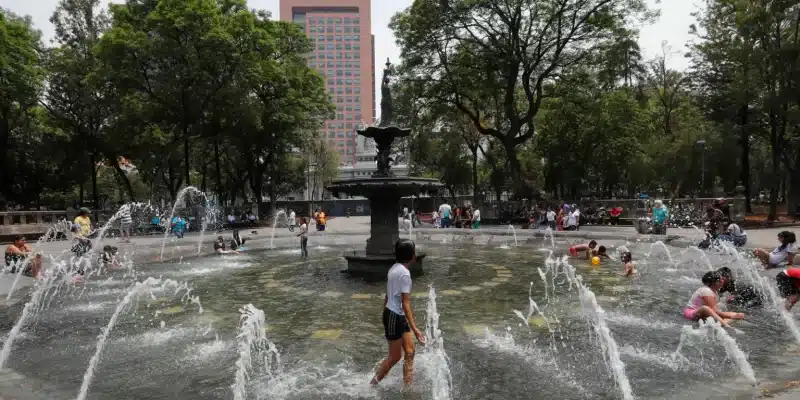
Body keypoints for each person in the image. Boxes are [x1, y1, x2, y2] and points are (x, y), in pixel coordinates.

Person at [370, 239, 426, 386]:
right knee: (395, 357)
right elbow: (405, 304)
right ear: (411, 255)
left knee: (410, 351)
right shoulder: (405, 274)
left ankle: (407, 386)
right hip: (395, 316)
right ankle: (372, 384)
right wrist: (416, 329)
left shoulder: (394, 268)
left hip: (394, 315)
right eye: (414, 250)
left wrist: (385, 313)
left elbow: (388, 295)